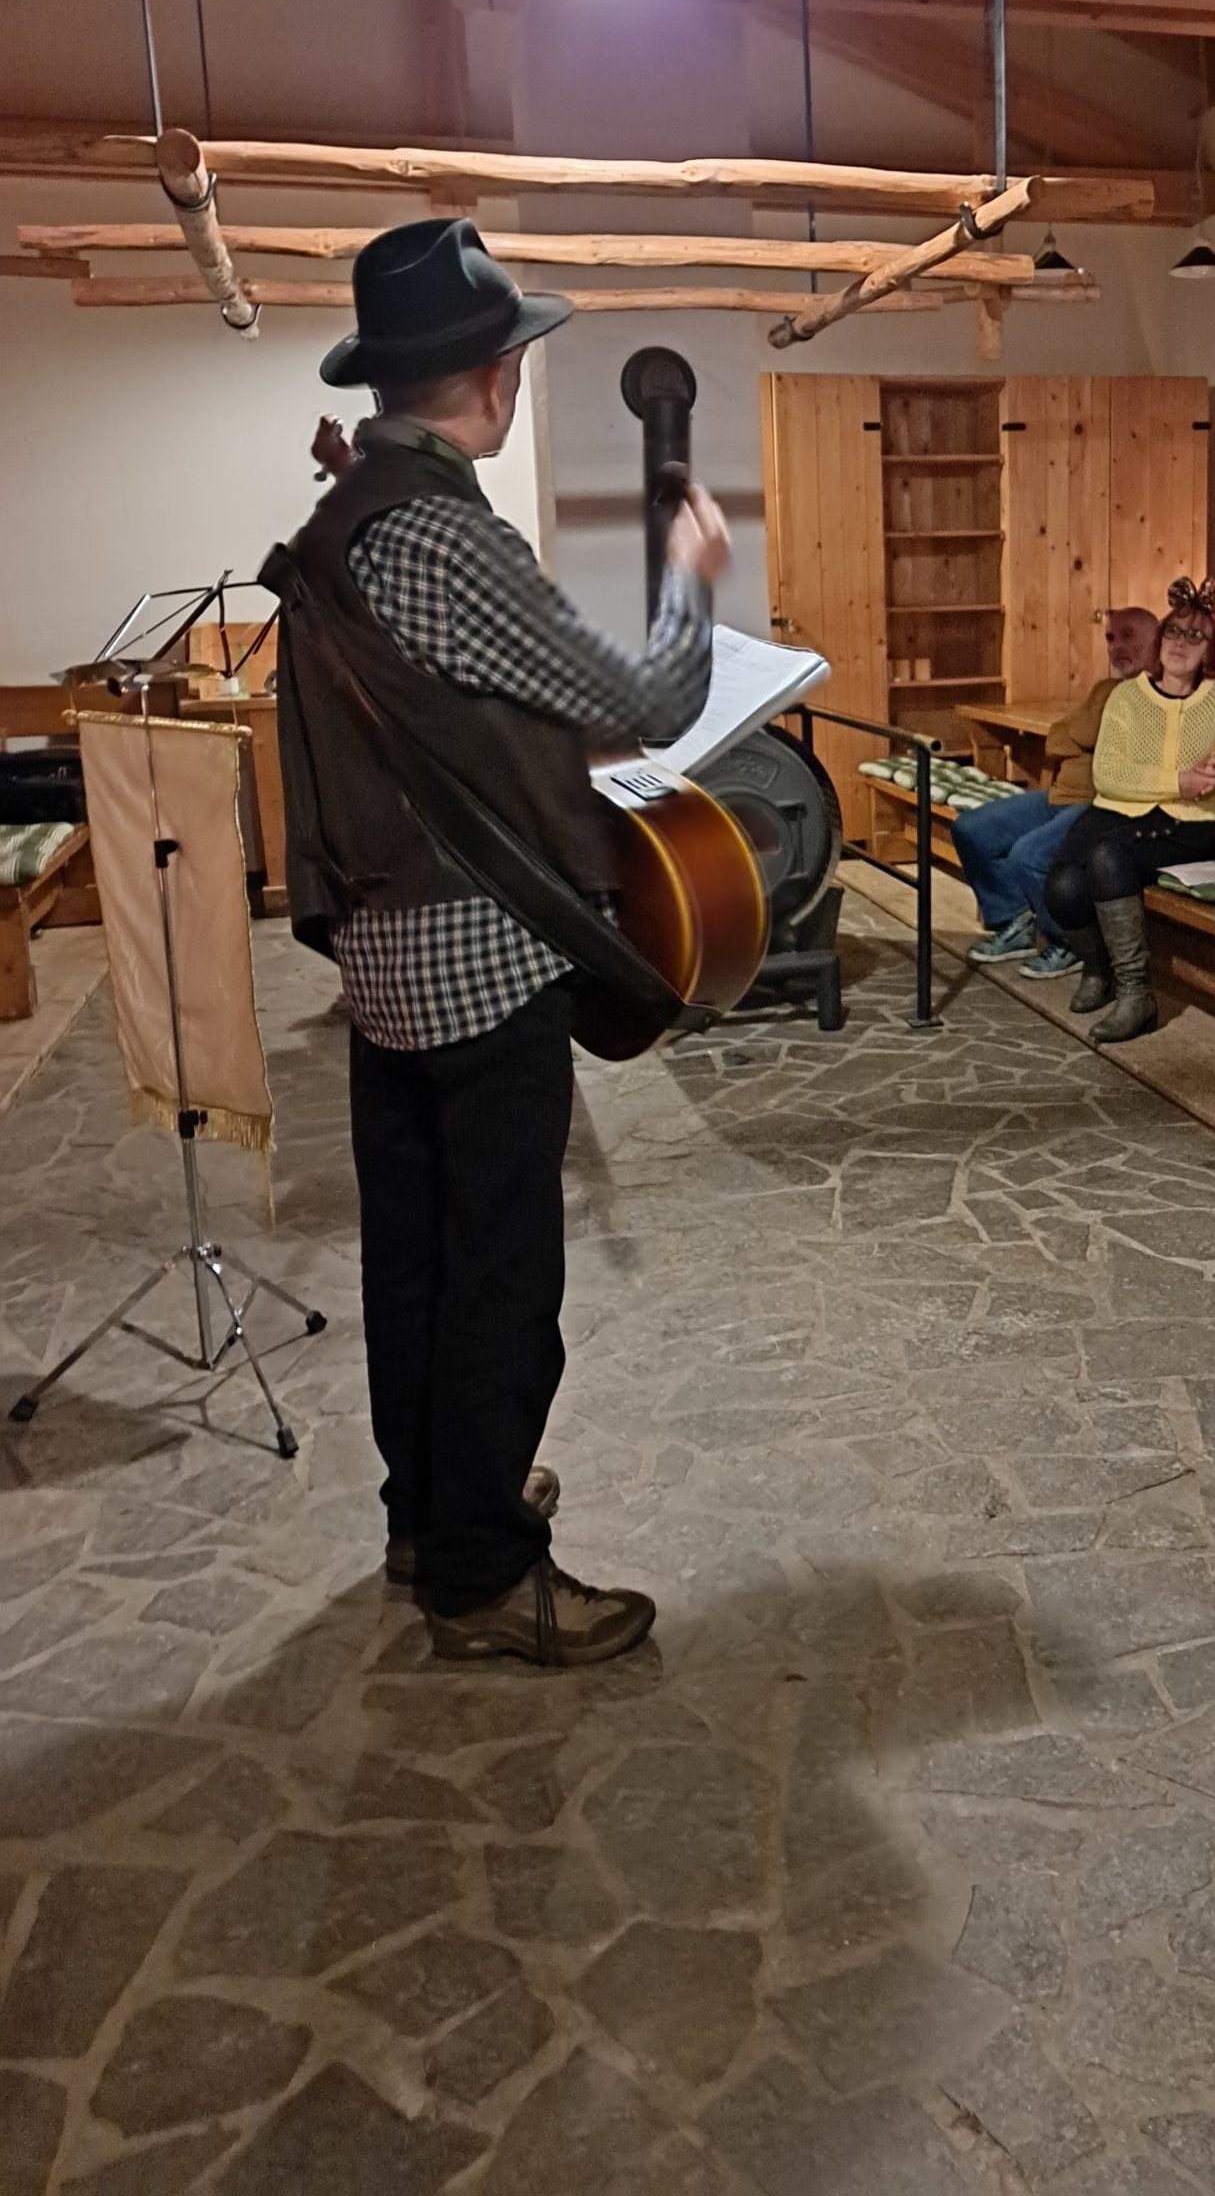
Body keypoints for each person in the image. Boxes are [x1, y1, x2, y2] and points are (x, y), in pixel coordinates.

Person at [265, 217, 730, 1667]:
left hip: (389, 960)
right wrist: (692, 572)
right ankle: (479, 1572)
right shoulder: (446, 537)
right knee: (504, 1278)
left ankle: (431, 1514)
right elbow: (648, 698)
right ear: (489, 373)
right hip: (482, 956)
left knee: (414, 1256)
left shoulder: (344, 526)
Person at [1043, 576, 1215, 1045]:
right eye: (1174, 632)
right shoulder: (1128, 697)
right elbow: (1108, 774)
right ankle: (1099, 967)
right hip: (1116, 811)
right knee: (1063, 886)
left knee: (1108, 859)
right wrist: (1177, 781)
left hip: (1185, 826)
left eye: (1196, 636)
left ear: (1210, 651)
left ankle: (1136, 994)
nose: (1181, 644)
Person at [957, 607, 1161, 978]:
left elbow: (1078, 734)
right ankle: (1016, 917)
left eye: (1129, 636)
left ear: (1156, 641)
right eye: (1111, 638)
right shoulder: (1106, 688)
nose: (1117, 647)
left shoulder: (1150, 693)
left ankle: (1069, 941)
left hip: (1097, 803)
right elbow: (1063, 736)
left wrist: (1074, 736)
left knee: (1027, 855)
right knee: (972, 829)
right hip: (1059, 795)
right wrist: (1074, 736)